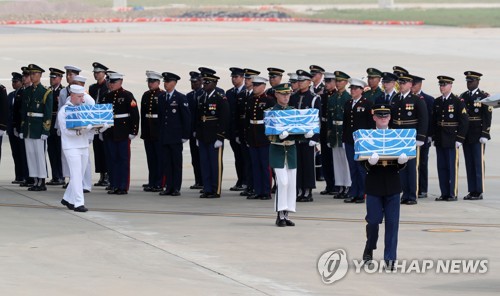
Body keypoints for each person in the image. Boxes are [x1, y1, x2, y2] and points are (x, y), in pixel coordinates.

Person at [362, 104, 408, 271]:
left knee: (392, 224)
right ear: (374, 117)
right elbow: (361, 162)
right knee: (373, 222)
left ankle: (390, 258)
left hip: (392, 184)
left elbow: (402, 158)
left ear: (390, 118)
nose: (383, 118)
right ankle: (369, 246)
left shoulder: (397, 136)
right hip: (374, 184)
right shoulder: (367, 136)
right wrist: (369, 162)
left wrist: (402, 162)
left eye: (385, 116)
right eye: (379, 116)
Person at [389, 73, 428, 205]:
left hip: (410, 137)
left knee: (411, 168)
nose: (401, 85)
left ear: (411, 85)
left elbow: (423, 119)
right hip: (398, 137)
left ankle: (412, 195)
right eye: (400, 83)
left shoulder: (417, 100)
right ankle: (404, 194)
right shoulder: (395, 99)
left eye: (404, 83)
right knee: (401, 167)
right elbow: (392, 119)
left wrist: (420, 137)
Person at [58, 85, 98, 212]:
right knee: (75, 175)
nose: (82, 100)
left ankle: (67, 198)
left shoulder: (82, 109)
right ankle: (78, 203)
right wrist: (81, 131)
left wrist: (99, 128)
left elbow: (90, 128)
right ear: (72, 95)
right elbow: (66, 131)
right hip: (71, 147)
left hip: (83, 145)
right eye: (80, 97)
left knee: (79, 175)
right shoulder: (64, 111)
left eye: (83, 97)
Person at [430, 76, 469, 201]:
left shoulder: (458, 101)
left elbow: (464, 121)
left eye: (444, 85)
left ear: (450, 86)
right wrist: (433, 136)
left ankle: (452, 193)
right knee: (441, 167)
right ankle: (444, 192)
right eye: (440, 85)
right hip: (440, 138)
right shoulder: (437, 101)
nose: (442, 87)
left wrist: (460, 138)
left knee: (451, 167)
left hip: (452, 138)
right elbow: (434, 120)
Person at [102, 72, 140, 195]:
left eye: (114, 82)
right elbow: (102, 115)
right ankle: (113, 184)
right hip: (109, 132)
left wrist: (133, 131)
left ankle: (122, 186)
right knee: (111, 159)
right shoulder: (105, 97)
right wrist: (101, 130)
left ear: (120, 82)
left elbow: (135, 115)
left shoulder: (127, 95)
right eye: (110, 82)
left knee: (123, 159)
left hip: (123, 132)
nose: (111, 84)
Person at [268, 83, 299, 227]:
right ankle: (279, 214)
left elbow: (299, 132)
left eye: (288, 94)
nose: (286, 97)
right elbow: (268, 134)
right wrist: (279, 135)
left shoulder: (293, 111)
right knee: (283, 182)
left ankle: (286, 215)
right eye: (283, 94)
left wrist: (306, 135)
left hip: (291, 152)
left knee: (291, 184)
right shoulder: (271, 112)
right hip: (278, 151)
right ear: (276, 95)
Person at [19, 64, 53, 191]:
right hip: (29, 128)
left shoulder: (45, 92)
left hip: (39, 128)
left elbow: (48, 113)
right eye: (31, 74)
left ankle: (42, 180)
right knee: (31, 154)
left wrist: (46, 130)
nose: (32, 76)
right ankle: (35, 179)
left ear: (40, 75)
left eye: (34, 74)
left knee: (39, 154)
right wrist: (22, 129)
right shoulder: (27, 91)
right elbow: (24, 112)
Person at [196, 72, 229, 198]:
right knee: (204, 163)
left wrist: (220, 136)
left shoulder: (220, 97)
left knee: (215, 164)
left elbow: (224, 118)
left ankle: (216, 189)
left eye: (207, 82)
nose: (204, 85)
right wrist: (198, 136)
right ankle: (207, 188)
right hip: (204, 135)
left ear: (214, 83)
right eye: (204, 82)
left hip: (214, 135)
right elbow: (198, 118)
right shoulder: (202, 97)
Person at [289, 70, 320, 202]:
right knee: (297, 164)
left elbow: (317, 118)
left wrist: (314, 137)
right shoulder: (293, 97)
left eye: (302, 81)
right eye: (299, 81)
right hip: (296, 136)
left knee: (308, 164)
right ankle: (299, 190)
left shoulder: (314, 98)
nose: (300, 83)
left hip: (308, 136)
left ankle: (307, 191)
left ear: (309, 82)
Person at [460, 71, 492, 200]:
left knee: (477, 163)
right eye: (468, 81)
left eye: (471, 81)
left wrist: (485, 133)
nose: (469, 84)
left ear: (477, 81)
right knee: (469, 163)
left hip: (478, 134)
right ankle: (472, 189)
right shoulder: (463, 96)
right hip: (467, 135)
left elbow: (487, 116)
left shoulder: (484, 96)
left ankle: (478, 190)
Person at [158, 72, 190, 196]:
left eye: (168, 82)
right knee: (166, 163)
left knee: (176, 163)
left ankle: (176, 187)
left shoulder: (181, 98)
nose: (165, 84)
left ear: (174, 83)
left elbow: (186, 118)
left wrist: (185, 135)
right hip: (165, 136)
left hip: (176, 137)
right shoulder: (161, 97)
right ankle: (168, 186)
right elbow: (161, 118)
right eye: (164, 82)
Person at [342, 76, 374, 203]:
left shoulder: (367, 104)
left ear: (361, 90)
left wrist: (368, 140)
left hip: (362, 141)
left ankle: (362, 193)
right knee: (352, 167)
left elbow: (371, 124)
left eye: (355, 89)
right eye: (352, 88)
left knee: (361, 168)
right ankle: (353, 191)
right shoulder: (348, 103)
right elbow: (346, 123)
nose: (353, 91)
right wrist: (344, 138)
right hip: (350, 140)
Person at [245, 76, 275, 200]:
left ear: (263, 86)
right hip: (253, 135)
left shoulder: (269, 101)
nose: (255, 87)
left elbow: (272, 120)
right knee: (255, 165)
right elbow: (247, 120)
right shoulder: (251, 100)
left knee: (265, 166)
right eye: (254, 85)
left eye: (257, 85)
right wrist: (247, 136)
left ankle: (266, 191)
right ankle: (258, 190)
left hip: (264, 136)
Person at [327, 71, 352, 199]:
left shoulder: (348, 98)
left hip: (343, 131)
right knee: (337, 161)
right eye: (336, 81)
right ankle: (340, 185)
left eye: (340, 81)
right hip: (335, 133)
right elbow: (329, 118)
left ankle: (348, 185)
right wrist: (329, 134)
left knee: (346, 161)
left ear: (346, 82)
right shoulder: (332, 98)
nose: (338, 83)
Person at [237, 68, 261, 198]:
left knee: (254, 162)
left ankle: (254, 187)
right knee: (247, 161)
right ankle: (248, 185)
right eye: (245, 78)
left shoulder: (256, 96)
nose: (246, 81)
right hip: (245, 133)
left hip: (255, 134)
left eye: (249, 79)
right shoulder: (242, 95)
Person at [141, 71, 165, 193]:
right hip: (148, 132)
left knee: (159, 159)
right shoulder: (146, 95)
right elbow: (143, 115)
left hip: (158, 131)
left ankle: (159, 182)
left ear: (158, 82)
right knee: (151, 159)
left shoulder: (162, 95)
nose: (150, 84)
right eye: (149, 82)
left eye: (152, 82)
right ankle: (152, 181)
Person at [411, 74, 434, 199]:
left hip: (423, 136)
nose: (412, 86)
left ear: (419, 85)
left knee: (422, 163)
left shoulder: (428, 99)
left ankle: (422, 188)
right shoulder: (408, 98)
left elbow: (430, 119)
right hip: (411, 137)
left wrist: (429, 135)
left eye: (414, 84)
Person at [89, 62, 110, 187]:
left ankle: (107, 174)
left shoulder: (107, 87)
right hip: (95, 121)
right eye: (95, 73)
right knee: (97, 149)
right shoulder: (93, 88)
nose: (96, 75)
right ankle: (102, 174)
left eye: (98, 72)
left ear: (104, 74)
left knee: (105, 149)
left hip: (104, 121)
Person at [226, 67, 247, 191]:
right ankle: (240, 180)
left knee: (245, 158)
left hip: (243, 131)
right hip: (233, 131)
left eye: (236, 77)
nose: (234, 79)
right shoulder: (229, 93)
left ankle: (246, 180)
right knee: (237, 158)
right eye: (232, 77)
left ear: (242, 78)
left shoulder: (246, 91)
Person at [46, 67, 65, 186]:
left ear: (60, 78)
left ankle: (61, 176)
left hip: (58, 122)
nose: (52, 79)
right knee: (51, 150)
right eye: (51, 77)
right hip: (49, 123)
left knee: (59, 151)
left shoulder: (62, 91)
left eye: (54, 77)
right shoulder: (48, 91)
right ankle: (55, 176)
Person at [319, 72, 337, 196]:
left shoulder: (337, 96)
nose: (327, 84)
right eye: (326, 82)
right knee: (325, 158)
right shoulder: (323, 96)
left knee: (333, 158)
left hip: (333, 128)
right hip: (324, 126)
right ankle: (329, 184)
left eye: (330, 82)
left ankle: (336, 184)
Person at [186, 71, 204, 190]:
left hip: (201, 131)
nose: (193, 84)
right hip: (191, 131)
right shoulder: (189, 96)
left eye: (195, 82)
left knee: (202, 158)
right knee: (195, 158)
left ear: (201, 81)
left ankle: (203, 180)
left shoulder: (203, 94)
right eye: (192, 82)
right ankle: (198, 180)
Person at [7, 72, 24, 183]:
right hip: (11, 128)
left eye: (15, 81)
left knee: (22, 152)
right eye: (12, 81)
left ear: (21, 82)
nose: (13, 83)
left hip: (19, 128)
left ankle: (24, 176)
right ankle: (18, 176)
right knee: (15, 153)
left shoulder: (23, 93)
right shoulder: (10, 95)